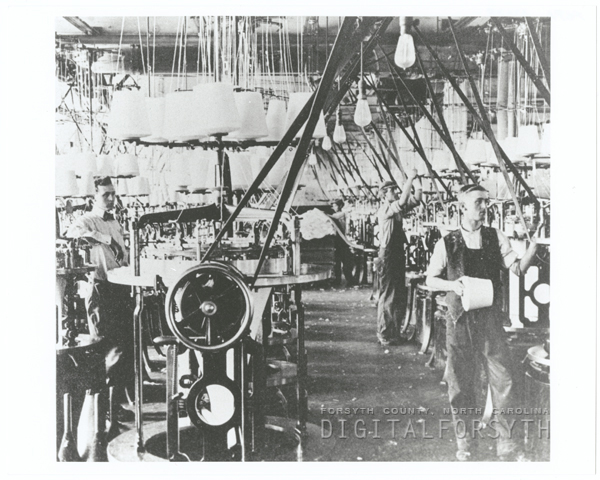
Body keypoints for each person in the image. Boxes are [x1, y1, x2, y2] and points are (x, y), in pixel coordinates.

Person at [426, 184, 539, 461]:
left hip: (490, 321)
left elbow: (517, 269)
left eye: (486, 202)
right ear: (462, 206)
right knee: (461, 385)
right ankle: (465, 445)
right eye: (478, 202)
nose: (484, 207)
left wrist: (533, 248)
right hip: (460, 322)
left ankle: (507, 446)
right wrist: (454, 285)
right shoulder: (447, 242)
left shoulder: (495, 236)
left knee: (504, 381)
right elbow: (430, 280)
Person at [67, 176, 133, 419]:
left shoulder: (114, 221)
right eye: (105, 194)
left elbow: (122, 253)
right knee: (104, 345)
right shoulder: (87, 220)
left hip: (120, 287)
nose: (111, 198)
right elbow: (70, 232)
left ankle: (116, 405)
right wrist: (102, 237)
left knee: (122, 347)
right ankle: (102, 409)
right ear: (93, 197)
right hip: (100, 288)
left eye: (113, 194)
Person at [376, 169, 422, 346]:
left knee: (399, 295)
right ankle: (384, 333)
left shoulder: (397, 210)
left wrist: (417, 182)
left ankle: (395, 332)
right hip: (387, 255)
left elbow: (416, 199)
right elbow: (403, 200)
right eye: (393, 190)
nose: (396, 192)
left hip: (397, 255)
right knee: (388, 295)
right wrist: (409, 178)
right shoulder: (386, 209)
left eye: (397, 189)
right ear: (384, 195)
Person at [329, 198, 355, 287]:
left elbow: (333, 217)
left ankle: (350, 280)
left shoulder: (341, 214)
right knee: (337, 262)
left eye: (335, 205)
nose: (334, 207)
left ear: (340, 206)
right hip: (337, 241)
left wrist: (322, 214)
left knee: (346, 263)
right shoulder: (335, 215)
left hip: (343, 241)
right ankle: (337, 280)